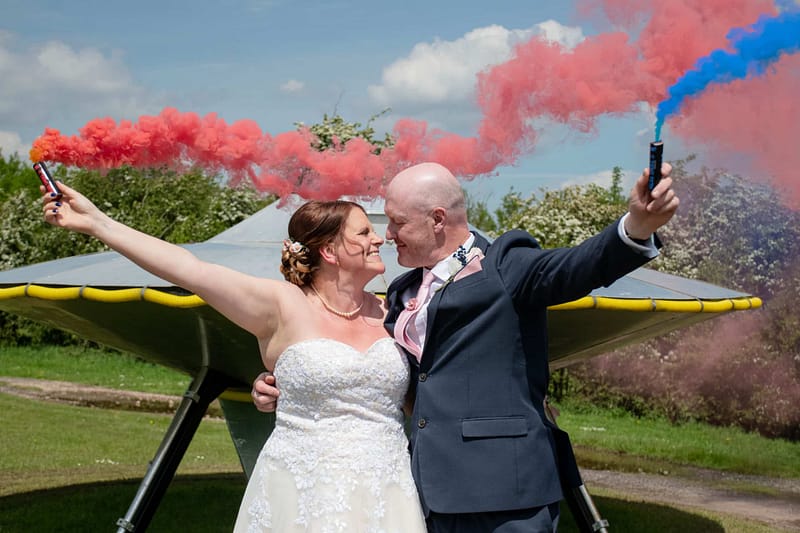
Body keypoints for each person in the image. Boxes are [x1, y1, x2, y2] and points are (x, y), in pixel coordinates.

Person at [253, 161, 679, 532]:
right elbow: (380, 371)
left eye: (398, 222)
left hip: (503, 494)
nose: (389, 234)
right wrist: (291, 384)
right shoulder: (401, 291)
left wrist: (636, 227)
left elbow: (576, 266)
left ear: (437, 219)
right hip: (423, 492)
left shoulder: (507, 265)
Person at [41, 183, 427, 533]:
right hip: (302, 490)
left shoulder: (395, 311)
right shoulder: (282, 305)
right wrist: (97, 223)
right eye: (364, 232)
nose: (379, 239)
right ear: (329, 251)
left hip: (388, 487)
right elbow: (189, 269)